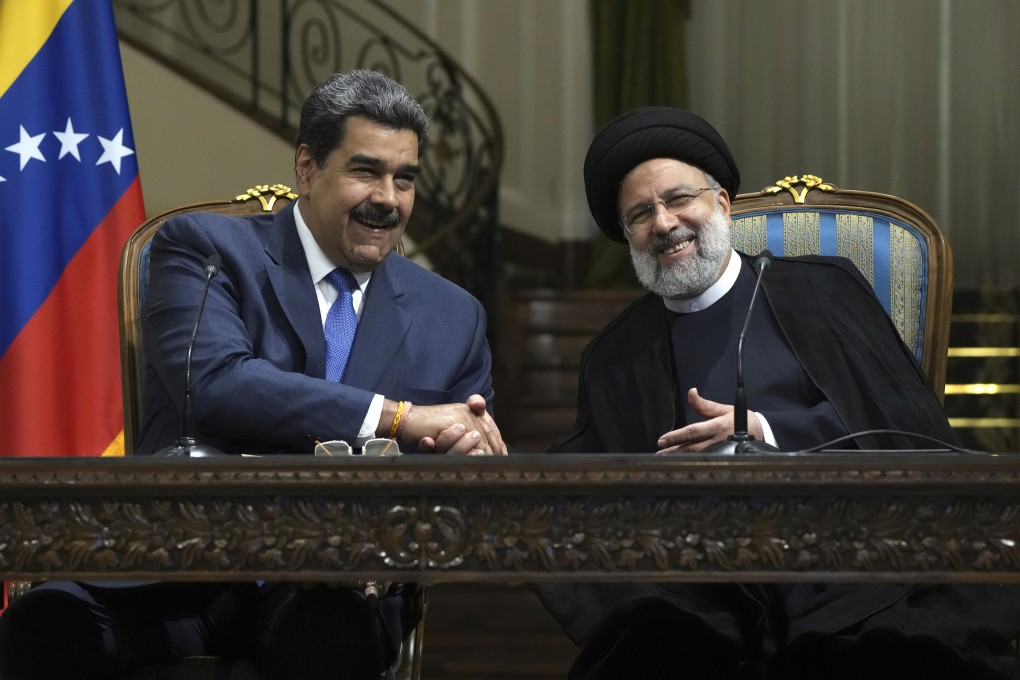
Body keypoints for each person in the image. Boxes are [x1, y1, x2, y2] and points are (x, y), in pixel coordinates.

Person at [0, 69, 506, 680]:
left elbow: (460, 483)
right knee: (46, 623)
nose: (389, 199)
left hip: (332, 586)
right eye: (366, 171)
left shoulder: (453, 316)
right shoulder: (206, 250)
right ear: (307, 168)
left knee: (333, 633)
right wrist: (398, 417)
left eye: (405, 179)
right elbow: (214, 384)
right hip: (176, 567)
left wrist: (429, 508)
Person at [534, 106, 1020, 679]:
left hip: (850, 564)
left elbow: (910, 431)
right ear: (626, 235)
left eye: (678, 199)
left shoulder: (821, 289)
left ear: (721, 203)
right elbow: (593, 486)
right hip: (705, 596)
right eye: (640, 213)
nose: (663, 223)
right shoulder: (615, 354)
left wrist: (763, 432)